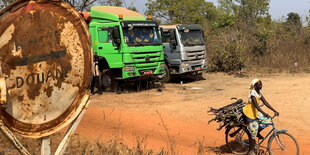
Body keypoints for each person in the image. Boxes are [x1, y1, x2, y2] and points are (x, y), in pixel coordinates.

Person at [242, 78, 279, 155]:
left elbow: (265, 102)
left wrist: (274, 110)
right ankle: (251, 150)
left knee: (268, 121)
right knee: (254, 129)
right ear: (255, 86)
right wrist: (264, 113)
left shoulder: (259, 92)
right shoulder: (252, 93)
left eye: (261, 84)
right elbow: (256, 105)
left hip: (255, 112)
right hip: (249, 113)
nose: (261, 85)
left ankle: (257, 132)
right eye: (260, 84)